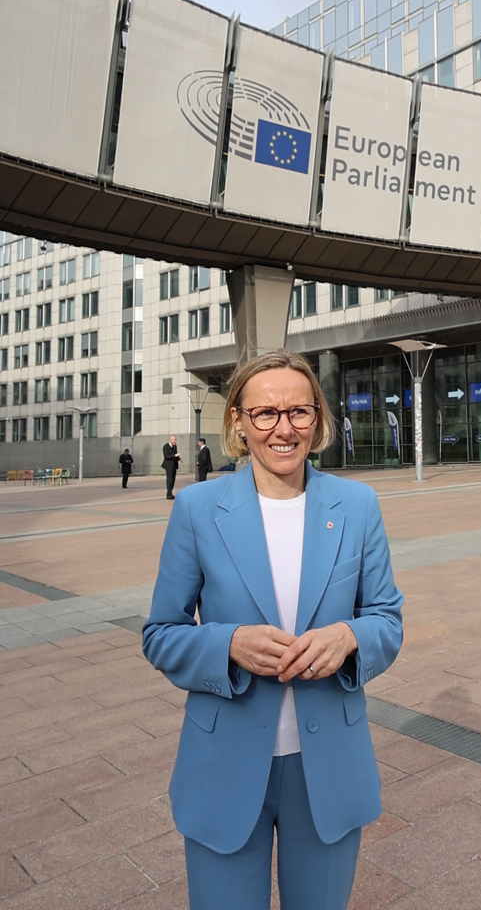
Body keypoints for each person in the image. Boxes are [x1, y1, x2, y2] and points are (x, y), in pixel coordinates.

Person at [143, 349, 403, 910]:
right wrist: (227, 644)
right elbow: (160, 633)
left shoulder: (357, 505)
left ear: (318, 416)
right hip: (224, 766)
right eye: (265, 413)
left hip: (329, 768)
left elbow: (386, 618)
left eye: (299, 412)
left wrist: (350, 638)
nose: (283, 429)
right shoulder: (196, 508)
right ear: (238, 420)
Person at [161, 435, 181, 500]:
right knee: (169, 480)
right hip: (168, 465)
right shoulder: (166, 446)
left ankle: (170, 493)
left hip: (174, 465)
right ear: (170, 440)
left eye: (175, 440)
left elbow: (176, 454)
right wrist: (174, 455)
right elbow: (166, 456)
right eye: (174, 440)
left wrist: (179, 458)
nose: (175, 441)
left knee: (173, 480)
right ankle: (168, 493)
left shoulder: (175, 446)